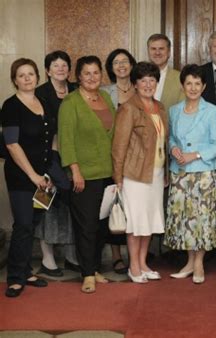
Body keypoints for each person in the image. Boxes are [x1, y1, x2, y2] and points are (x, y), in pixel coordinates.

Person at [58, 55, 116, 294]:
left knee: (101, 226)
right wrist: (75, 171)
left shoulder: (105, 98)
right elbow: (66, 141)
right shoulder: (70, 102)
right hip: (84, 175)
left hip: (107, 173)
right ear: (78, 77)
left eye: (96, 72)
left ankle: (94, 267)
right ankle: (87, 274)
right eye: (87, 73)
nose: (92, 77)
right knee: (87, 226)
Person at [165, 64, 216, 284]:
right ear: (182, 86)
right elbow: (170, 138)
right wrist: (173, 149)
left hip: (202, 173)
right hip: (179, 173)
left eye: (197, 83)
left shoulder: (212, 111)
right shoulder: (174, 110)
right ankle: (189, 261)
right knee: (184, 219)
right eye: (188, 83)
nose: (193, 88)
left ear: (204, 86)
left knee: (201, 219)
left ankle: (199, 262)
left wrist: (196, 155)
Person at [112, 62, 168, 283]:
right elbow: (119, 146)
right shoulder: (128, 108)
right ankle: (133, 266)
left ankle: (144, 263)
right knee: (136, 223)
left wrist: (165, 172)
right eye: (143, 80)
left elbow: (163, 142)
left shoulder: (160, 107)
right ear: (135, 84)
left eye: (152, 80)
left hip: (155, 174)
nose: (148, 84)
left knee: (150, 221)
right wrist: (118, 178)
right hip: (134, 175)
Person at [2, 58, 52, 297]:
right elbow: (11, 144)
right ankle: (14, 277)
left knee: (33, 222)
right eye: (21, 75)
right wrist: (32, 175)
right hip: (22, 178)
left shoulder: (42, 102)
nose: (27, 78)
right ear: (14, 80)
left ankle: (26, 271)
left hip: (44, 180)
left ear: (37, 77)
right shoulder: (10, 106)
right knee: (22, 225)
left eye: (30, 74)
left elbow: (50, 139)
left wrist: (48, 174)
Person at [35, 50, 79, 277]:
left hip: (72, 158)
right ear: (47, 70)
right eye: (56, 65)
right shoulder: (39, 93)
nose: (61, 69)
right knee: (45, 206)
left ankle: (72, 257)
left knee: (72, 206)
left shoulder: (76, 90)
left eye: (64, 65)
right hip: (46, 159)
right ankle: (47, 259)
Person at [102, 48, 137, 275]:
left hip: (136, 157)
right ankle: (116, 256)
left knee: (134, 208)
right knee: (114, 205)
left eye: (125, 61)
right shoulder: (105, 92)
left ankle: (135, 255)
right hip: (111, 155)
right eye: (116, 62)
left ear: (132, 65)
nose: (121, 65)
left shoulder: (141, 88)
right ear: (111, 68)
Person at [147, 33, 185, 113]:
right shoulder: (137, 77)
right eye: (153, 49)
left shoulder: (180, 78)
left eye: (161, 49)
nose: (157, 52)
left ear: (168, 53)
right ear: (148, 52)